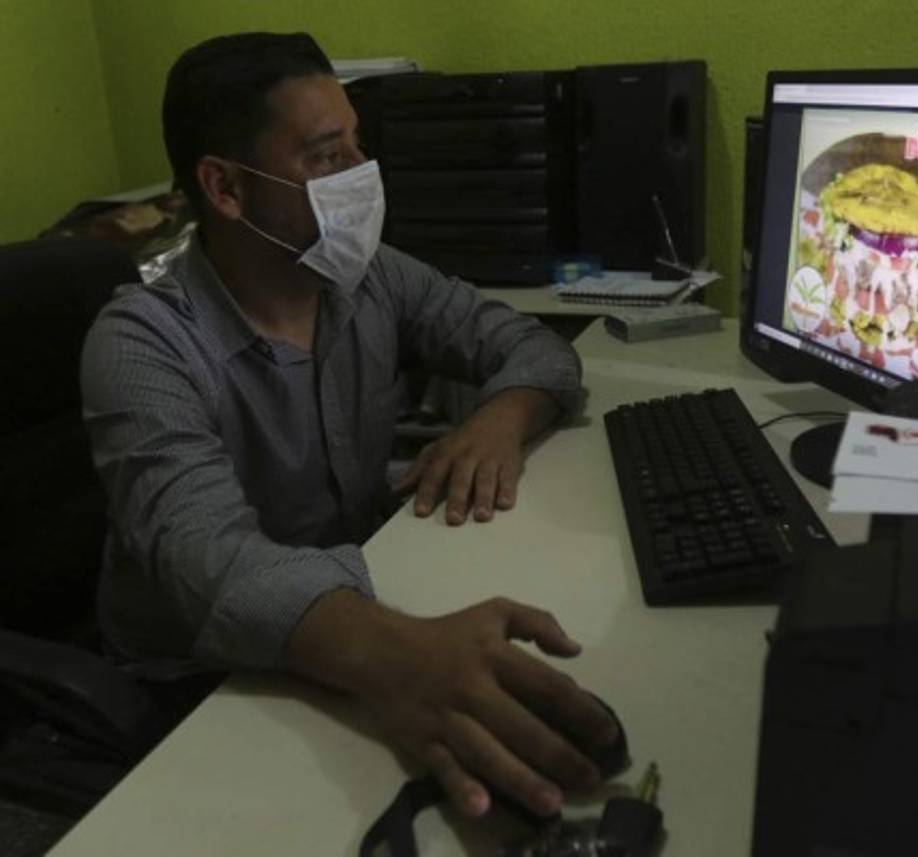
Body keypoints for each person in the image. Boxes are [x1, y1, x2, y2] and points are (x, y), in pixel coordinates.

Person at [80, 31, 617, 820]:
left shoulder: (364, 277)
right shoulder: (140, 345)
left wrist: (501, 417)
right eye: (328, 156)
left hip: (354, 613)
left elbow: (534, 347)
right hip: (202, 681)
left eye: (358, 145)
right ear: (225, 188)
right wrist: (401, 656)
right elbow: (214, 568)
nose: (364, 174)